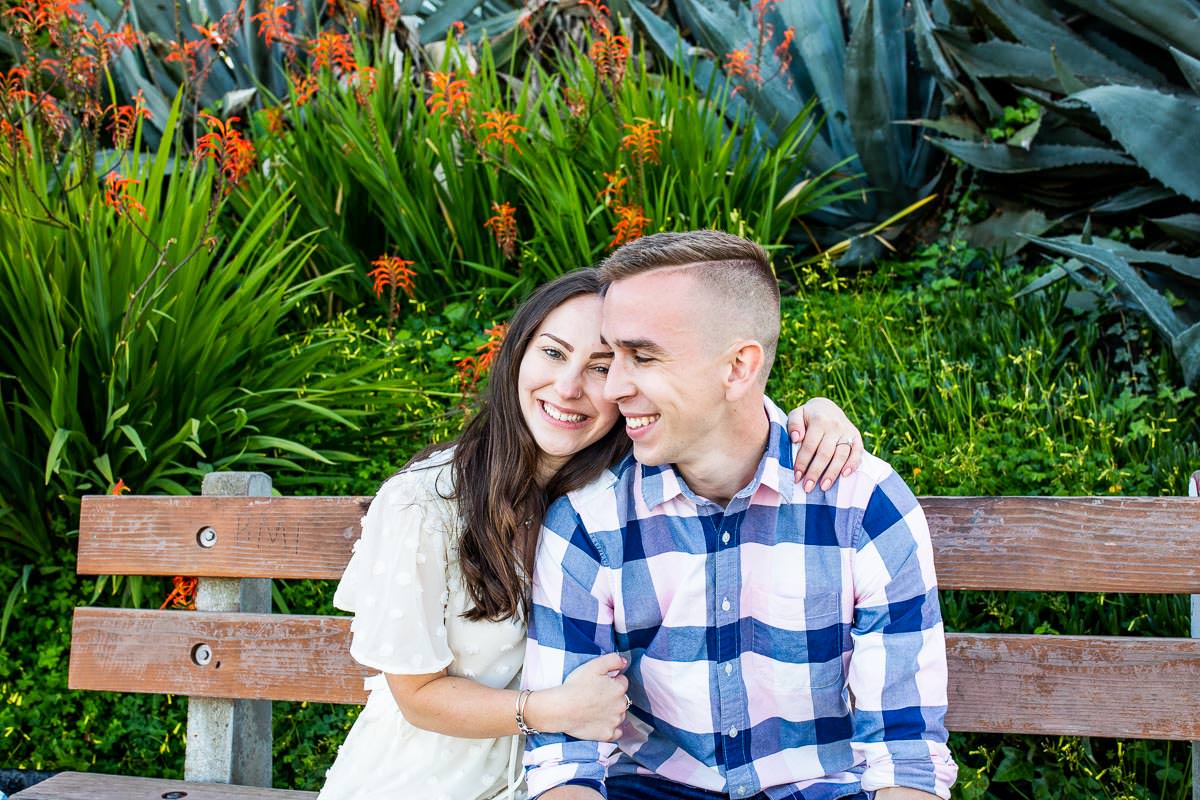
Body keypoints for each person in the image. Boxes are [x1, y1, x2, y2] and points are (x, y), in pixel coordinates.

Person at [317, 267, 866, 800]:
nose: (569, 387)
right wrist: (552, 709)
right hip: (426, 781)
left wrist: (814, 416)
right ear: (516, 356)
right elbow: (416, 696)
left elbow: (721, 408)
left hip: (551, 783)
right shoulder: (426, 503)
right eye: (553, 353)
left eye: (602, 367)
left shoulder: (625, 480)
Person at [522, 232, 957, 800]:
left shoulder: (863, 506)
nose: (616, 386)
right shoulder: (589, 522)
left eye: (643, 356)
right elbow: (566, 761)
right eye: (614, 356)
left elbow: (904, 755)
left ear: (738, 368)